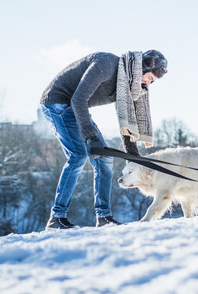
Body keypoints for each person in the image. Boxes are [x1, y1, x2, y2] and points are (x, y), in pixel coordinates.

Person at [40, 50, 168, 229]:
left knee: (104, 158)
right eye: (149, 77)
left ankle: (104, 217)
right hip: (58, 103)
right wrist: (90, 135)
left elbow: (125, 121)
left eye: (152, 81)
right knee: (77, 156)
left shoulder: (127, 86)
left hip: (74, 107)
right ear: (142, 67)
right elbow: (78, 99)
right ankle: (57, 218)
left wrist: (132, 155)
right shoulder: (106, 64)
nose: (148, 83)